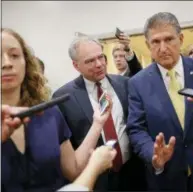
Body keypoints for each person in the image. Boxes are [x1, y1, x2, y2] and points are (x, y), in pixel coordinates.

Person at [1, 28, 113, 191]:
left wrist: (97, 123)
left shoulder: (49, 114)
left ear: (26, 61)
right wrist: (95, 166)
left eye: (14, 55)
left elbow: (73, 170)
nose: (6, 63)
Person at [127, 12, 193, 191]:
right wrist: (153, 154)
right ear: (147, 45)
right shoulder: (137, 83)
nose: (163, 47)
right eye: (155, 42)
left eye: (169, 39)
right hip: (166, 178)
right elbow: (136, 129)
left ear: (180, 39)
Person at [53, 36, 146, 191]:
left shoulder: (124, 84)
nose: (99, 64)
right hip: (96, 179)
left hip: (132, 172)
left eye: (101, 57)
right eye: (90, 61)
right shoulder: (63, 98)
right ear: (76, 65)